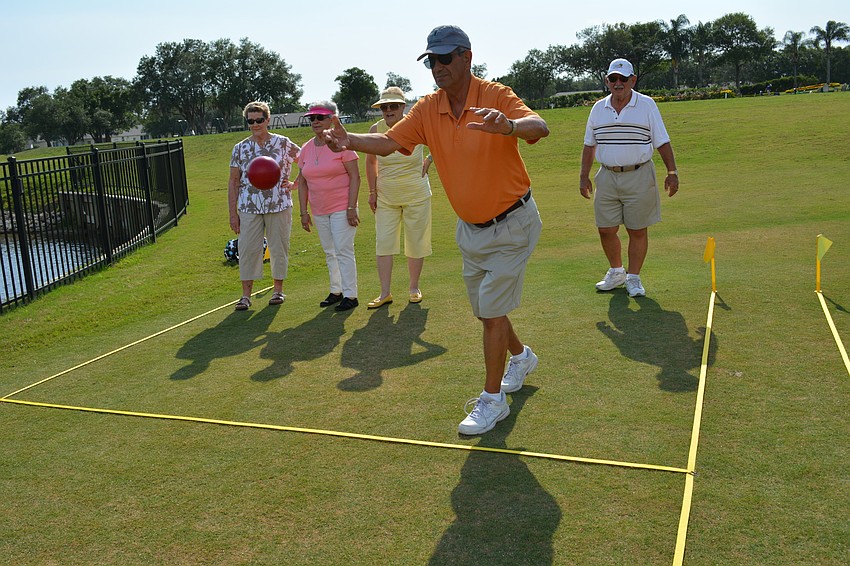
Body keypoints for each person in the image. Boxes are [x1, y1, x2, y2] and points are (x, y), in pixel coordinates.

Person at [322, 25, 549, 435]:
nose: (437, 66)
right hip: (471, 229)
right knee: (485, 310)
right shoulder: (428, 107)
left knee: (493, 311)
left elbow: (539, 125)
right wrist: (349, 140)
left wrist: (509, 127)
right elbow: (391, 142)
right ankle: (521, 356)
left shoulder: (496, 95)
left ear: (467, 57)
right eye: (431, 59)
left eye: (445, 58)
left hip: (513, 221)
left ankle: (492, 400)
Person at [579, 58, 679, 298]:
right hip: (607, 175)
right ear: (607, 81)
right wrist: (583, 176)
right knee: (606, 228)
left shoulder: (647, 105)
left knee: (637, 230)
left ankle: (633, 278)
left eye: (623, 79)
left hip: (639, 174)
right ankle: (617, 272)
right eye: (613, 78)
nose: (618, 83)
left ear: (633, 80)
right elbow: (589, 145)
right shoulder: (598, 109)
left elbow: (662, 141)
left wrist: (672, 172)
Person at [364, 86, 433, 309]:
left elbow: (441, 141)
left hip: (416, 193)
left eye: (394, 106)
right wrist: (372, 192)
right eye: (385, 106)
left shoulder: (417, 125)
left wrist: (430, 159)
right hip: (385, 195)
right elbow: (371, 162)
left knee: (416, 242)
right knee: (383, 243)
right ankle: (385, 293)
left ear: (403, 107)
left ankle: (414, 287)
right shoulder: (376, 128)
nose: (389, 110)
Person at [228, 101, 299, 311]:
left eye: (259, 120)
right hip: (248, 207)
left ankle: (278, 290)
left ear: (268, 119)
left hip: (279, 205)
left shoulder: (283, 143)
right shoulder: (240, 148)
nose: (255, 124)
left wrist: (295, 183)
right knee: (248, 249)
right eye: (251, 121)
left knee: (279, 247)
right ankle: (245, 296)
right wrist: (233, 214)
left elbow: (307, 158)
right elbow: (233, 182)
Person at [296, 101, 361, 312]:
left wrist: (352, 208)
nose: (315, 121)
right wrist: (303, 212)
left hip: (342, 206)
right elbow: (302, 181)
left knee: (343, 250)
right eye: (311, 118)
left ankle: (351, 295)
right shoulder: (306, 148)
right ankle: (336, 291)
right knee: (329, 251)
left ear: (332, 119)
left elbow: (355, 176)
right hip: (319, 209)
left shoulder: (342, 143)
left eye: (320, 117)